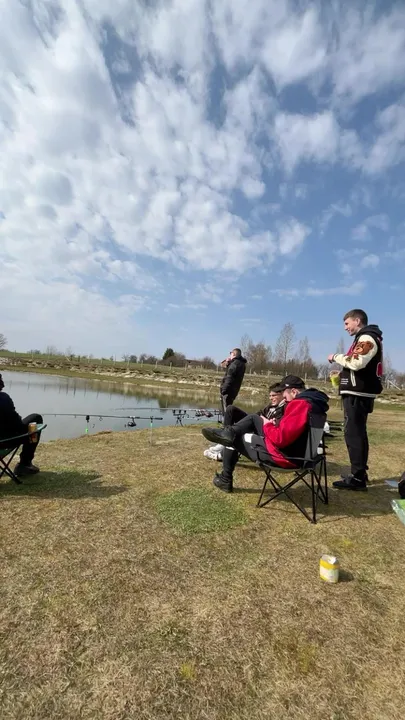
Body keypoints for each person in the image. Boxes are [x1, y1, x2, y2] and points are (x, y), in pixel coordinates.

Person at [201, 375, 329, 493]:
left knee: (236, 437)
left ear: (294, 392)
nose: (285, 399)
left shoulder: (300, 404)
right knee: (251, 420)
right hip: (303, 457)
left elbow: (280, 439)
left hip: (285, 459)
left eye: (284, 395)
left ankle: (225, 478)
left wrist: (267, 424)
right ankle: (227, 434)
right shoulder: (315, 406)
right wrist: (274, 424)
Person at [327, 309, 383, 491]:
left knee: (354, 433)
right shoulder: (363, 338)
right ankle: (359, 473)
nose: (345, 328)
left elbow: (356, 362)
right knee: (357, 432)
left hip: (358, 394)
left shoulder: (367, 338)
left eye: (347, 323)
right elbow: (357, 365)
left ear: (357, 321)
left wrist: (335, 357)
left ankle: (357, 478)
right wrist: (342, 375)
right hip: (357, 392)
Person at [204, 383, 286, 460]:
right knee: (230, 409)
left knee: (252, 418)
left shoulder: (284, 408)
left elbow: (277, 427)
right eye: (270, 396)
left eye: (273, 395)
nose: (271, 398)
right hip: (256, 424)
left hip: (265, 432)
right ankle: (225, 437)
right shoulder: (271, 406)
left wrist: (264, 420)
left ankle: (221, 453)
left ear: (282, 394)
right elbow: (259, 414)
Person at [0, 373, 43, 477]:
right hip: (6, 441)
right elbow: (17, 426)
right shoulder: (3, 398)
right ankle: (25, 463)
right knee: (36, 419)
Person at [219, 348, 247, 413]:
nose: (229, 355)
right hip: (234, 391)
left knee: (226, 411)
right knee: (228, 409)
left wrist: (223, 390)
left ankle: (226, 420)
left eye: (230, 353)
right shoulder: (241, 363)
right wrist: (229, 362)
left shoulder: (234, 364)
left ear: (234, 354)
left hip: (228, 391)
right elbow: (223, 365)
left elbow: (229, 378)